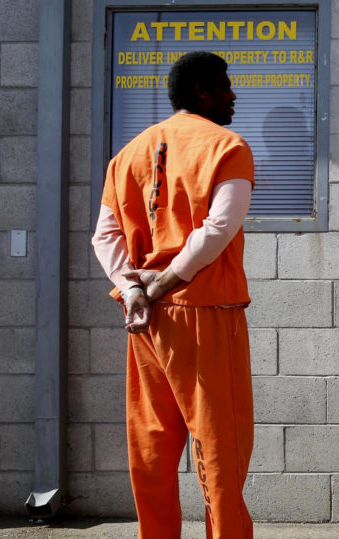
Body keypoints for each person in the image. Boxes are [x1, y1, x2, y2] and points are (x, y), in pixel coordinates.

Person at [91, 51, 255, 538]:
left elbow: (105, 235)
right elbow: (219, 228)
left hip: (146, 319)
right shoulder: (228, 146)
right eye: (224, 85)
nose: (233, 95)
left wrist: (132, 288)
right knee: (219, 446)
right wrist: (166, 280)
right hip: (205, 309)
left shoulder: (128, 154)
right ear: (201, 91)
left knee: (152, 444)